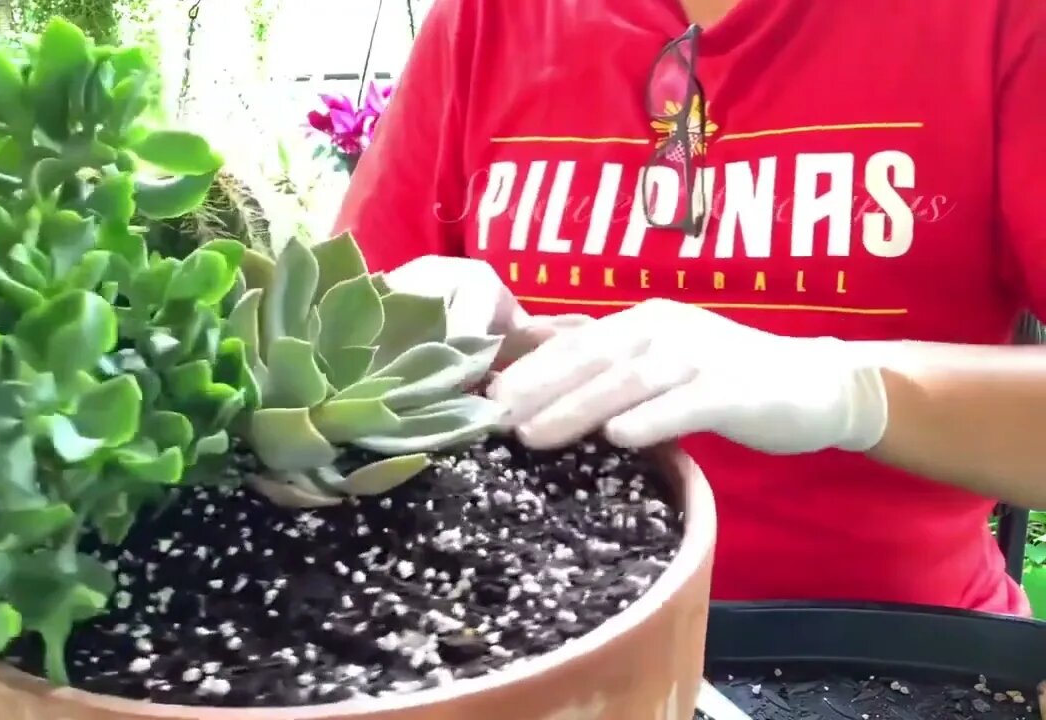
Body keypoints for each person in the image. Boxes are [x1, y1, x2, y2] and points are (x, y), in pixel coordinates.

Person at [334, 0, 1046, 615]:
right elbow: (327, 358)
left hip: (872, 650)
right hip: (528, 629)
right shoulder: (489, 21)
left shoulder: (998, 22)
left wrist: (849, 388)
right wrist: (441, 339)